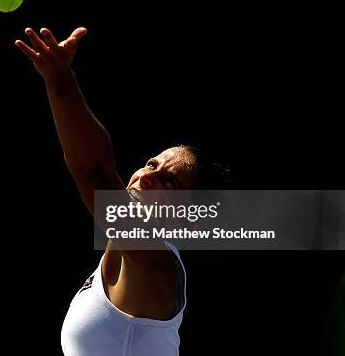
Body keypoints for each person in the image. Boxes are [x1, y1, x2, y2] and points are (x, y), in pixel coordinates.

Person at [15, 27, 229, 355]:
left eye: (169, 182)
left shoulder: (155, 264)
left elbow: (95, 171)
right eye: (151, 164)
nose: (145, 177)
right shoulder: (126, 253)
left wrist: (60, 78)